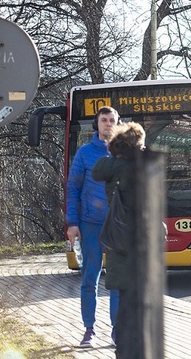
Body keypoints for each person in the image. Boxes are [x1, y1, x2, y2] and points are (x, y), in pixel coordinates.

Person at [65, 106, 121, 348]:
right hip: (90, 224)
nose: (108, 124)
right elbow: (73, 188)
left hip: (118, 225)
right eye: (104, 120)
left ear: (118, 123)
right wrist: (73, 223)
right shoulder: (85, 153)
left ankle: (118, 330)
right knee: (90, 276)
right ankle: (89, 329)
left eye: (112, 120)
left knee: (118, 280)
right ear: (96, 124)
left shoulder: (126, 153)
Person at [92, 121, 146, 357]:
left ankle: (122, 351)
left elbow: (97, 170)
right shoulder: (137, 168)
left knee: (124, 301)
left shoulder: (110, 166)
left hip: (117, 239)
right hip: (138, 242)